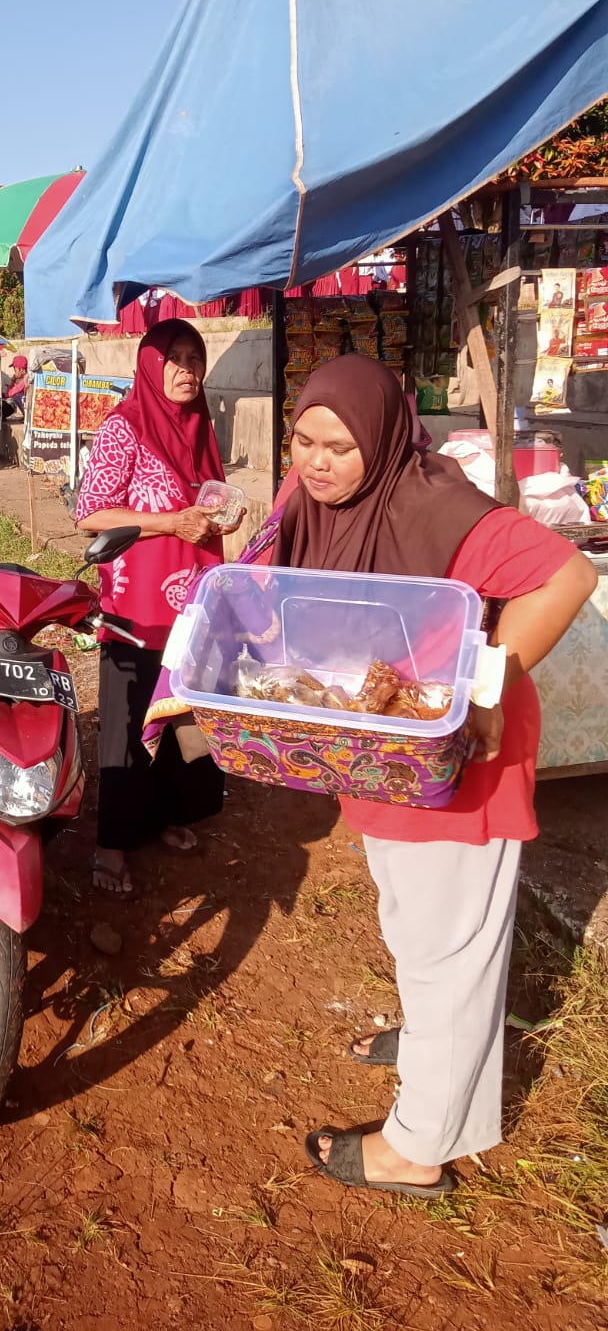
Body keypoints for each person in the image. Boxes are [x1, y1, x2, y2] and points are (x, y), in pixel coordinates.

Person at [267, 356, 595, 1199]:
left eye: (339, 445)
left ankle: (420, 1147)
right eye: (303, 439)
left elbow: (567, 575)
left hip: (460, 758)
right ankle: (430, 1040)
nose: (315, 461)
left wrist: (484, 689)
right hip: (384, 755)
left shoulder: (433, 506)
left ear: (380, 441)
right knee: (414, 920)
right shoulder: (311, 501)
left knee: (452, 946)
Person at [75, 322, 243, 898]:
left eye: (195, 357)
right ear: (150, 364)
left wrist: (221, 516)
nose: (186, 369)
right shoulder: (123, 428)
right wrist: (169, 523)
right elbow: (91, 513)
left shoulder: (201, 426)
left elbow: (206, 497)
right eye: (173, 358)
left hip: (193, 602)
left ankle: (173, 814)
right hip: (137, 605)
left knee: (185, 713)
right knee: (128, 719)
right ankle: (113, 844)